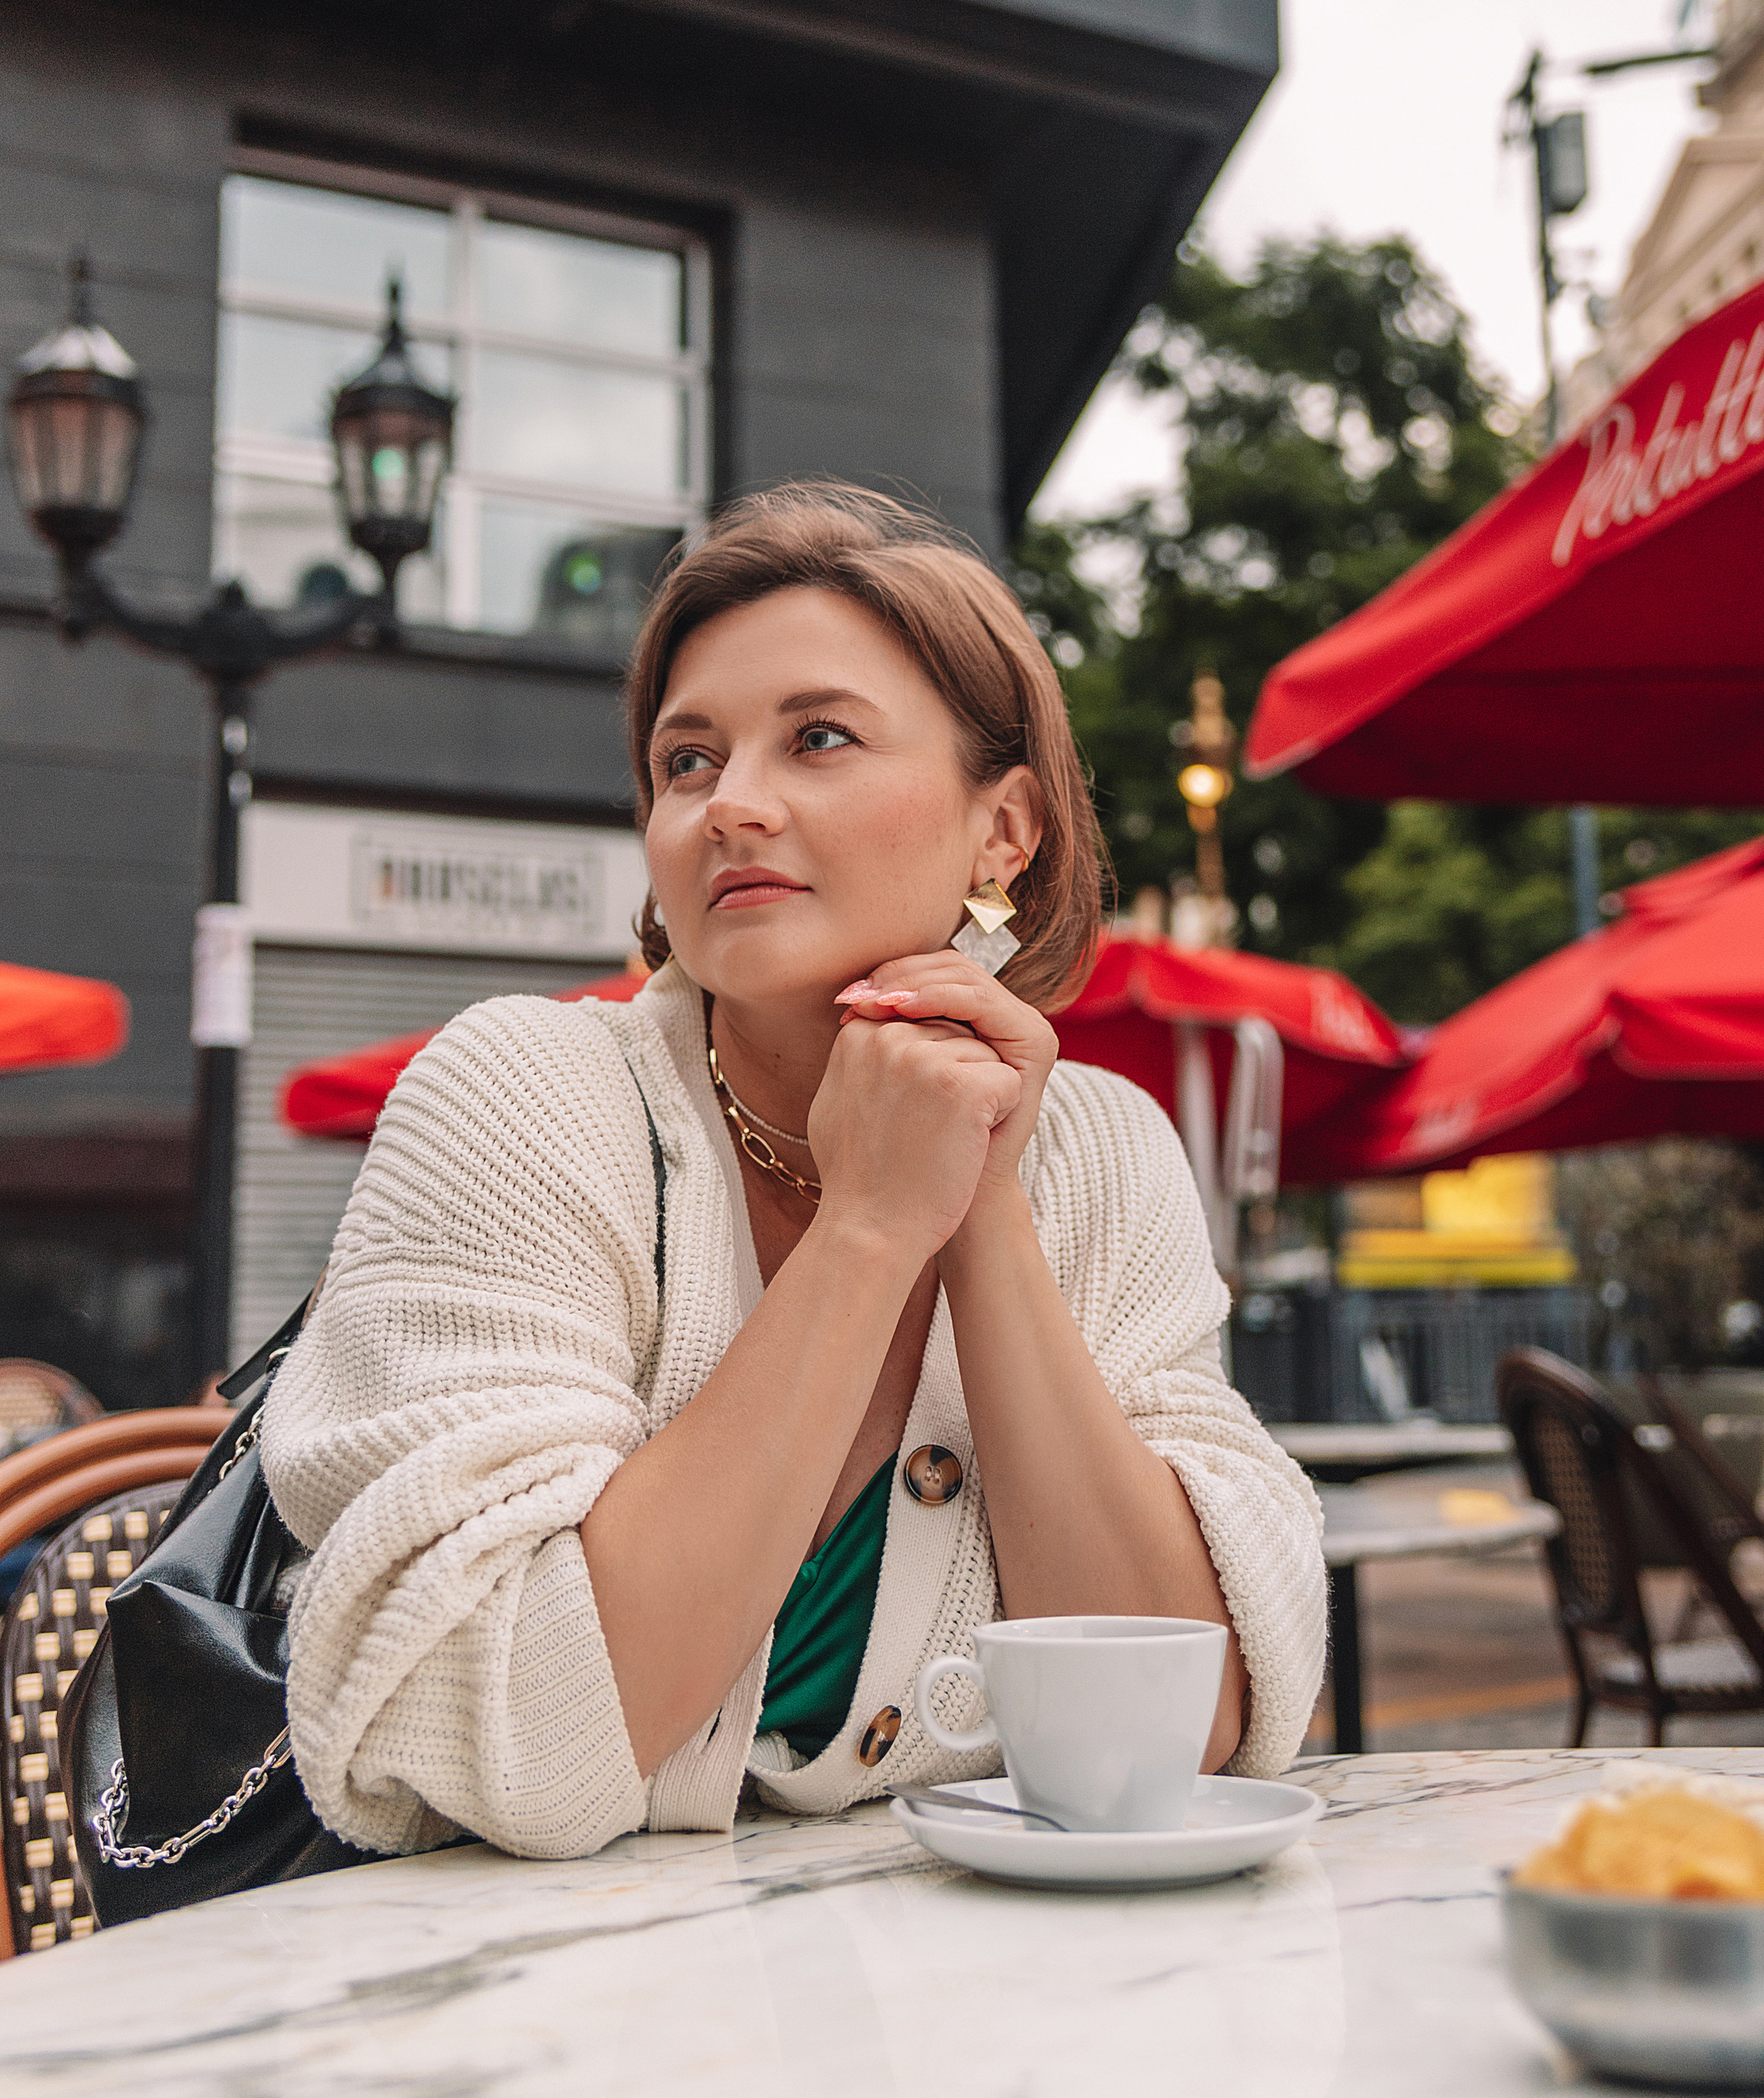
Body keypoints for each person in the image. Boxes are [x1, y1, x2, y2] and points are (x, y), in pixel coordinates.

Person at [262, 485, 1327, 1858]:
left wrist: (980, 1211)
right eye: (687, 761)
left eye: (817, 739)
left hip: (970, 2019)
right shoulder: (521, 1091)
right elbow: (510, 1739)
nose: (730, 806)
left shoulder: (1101, 1146)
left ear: (1001, 832)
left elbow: (1175, 1737)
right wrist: (871, 1230)